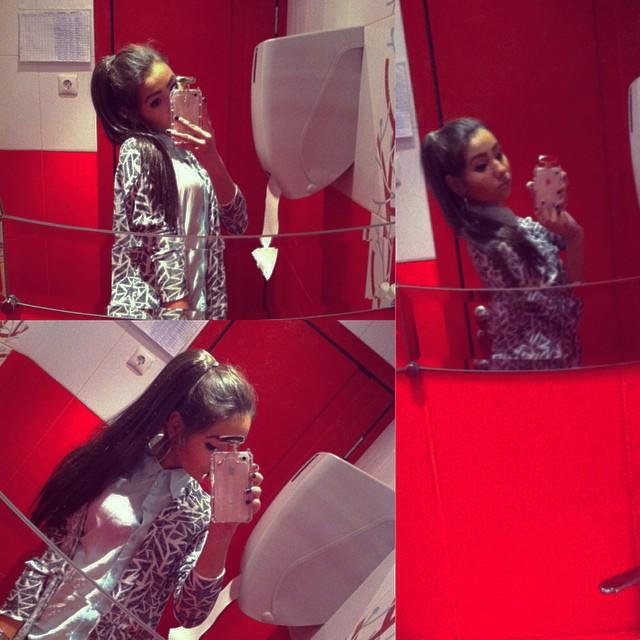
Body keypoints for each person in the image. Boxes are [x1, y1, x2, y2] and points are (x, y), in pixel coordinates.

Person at [0, 350, 263, 639]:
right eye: (213, 447)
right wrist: (7, 626)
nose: (220, 461)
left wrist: (222, 533)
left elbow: (190, 613)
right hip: (41, 631)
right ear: (176, 426)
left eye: (235, 449)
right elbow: (53, 556)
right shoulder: (114, 463)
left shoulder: (199, 514)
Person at [91, 44, 248, 319]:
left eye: (174, 87)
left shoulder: (188, 147)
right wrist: (178, 309)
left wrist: (211, 157)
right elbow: (155, 236)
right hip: (158, 308)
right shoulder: (137, 149)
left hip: (202, 300)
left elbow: (238, 223)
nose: (173, 103)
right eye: (156, 101)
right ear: (130, 113)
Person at [421, 117, 584, 370]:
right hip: (536, 370)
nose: (499, 168)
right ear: (457, 184)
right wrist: (574, 237)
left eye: (498, 154)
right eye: (481, 166)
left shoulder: (509, 225)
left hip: (545, 362)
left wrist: (565, 226)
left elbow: (561, 241)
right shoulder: (496, 242)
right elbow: (566, 308)